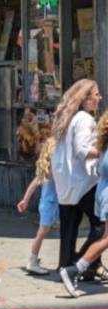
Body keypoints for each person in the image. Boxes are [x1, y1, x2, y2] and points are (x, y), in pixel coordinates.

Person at [50, 79, 103, 281]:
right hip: (82, 181)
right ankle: (80, 264)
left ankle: (67, 265)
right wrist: (101, 152)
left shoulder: (69, 117)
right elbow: (82, 150)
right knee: (101, 227)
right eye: (97, 94)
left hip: (66, 181)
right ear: (86, 98)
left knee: (69, 227)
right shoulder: (84, 119)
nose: (100, 98)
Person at [60, 110, 108, 297]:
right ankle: (74, 269)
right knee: (105, 239)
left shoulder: (103, 146)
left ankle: (75, 269)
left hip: (102, 194)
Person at [16, 139, 58, 275]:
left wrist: (25, 200)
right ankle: (32, 261)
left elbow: (33, 185)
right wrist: (24, 200)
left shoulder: (45, 169)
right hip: (50, 204)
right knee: (42, 232)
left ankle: (33, 259)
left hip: (48, 203)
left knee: (42, 231)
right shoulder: (52, 169)